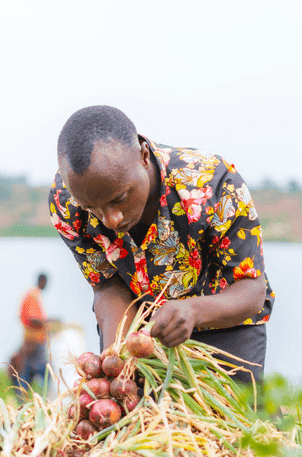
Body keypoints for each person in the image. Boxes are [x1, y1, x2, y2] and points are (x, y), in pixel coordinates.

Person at [49, 105, 274, 384]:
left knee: (227, 422)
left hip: (225, 325)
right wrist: (116, 355)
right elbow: (107, 285)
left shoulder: (211, 184)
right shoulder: (67, 203)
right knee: (134, 423)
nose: (110, 219)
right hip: (142, 332)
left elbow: (252, 290)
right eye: (93, 208)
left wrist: (193, 310)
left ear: (144, 156)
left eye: (119, 198)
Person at [10, 273, 53, 399]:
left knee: (28, 372)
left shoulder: (33, 295)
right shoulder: (33, 296)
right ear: (42, 281)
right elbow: (33, 319)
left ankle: (26, 399)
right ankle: (37, 399)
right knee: (43, 372)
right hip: (34, 342)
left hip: (33, 342)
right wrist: (47, 323)